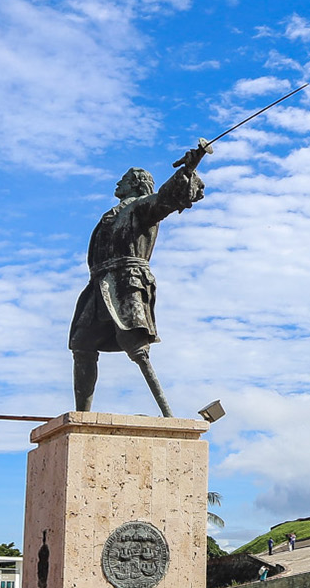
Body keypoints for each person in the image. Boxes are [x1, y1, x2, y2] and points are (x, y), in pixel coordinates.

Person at [69, 143, 210, 416]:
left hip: (126, 281)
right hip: (99, 285)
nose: (118, 182)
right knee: (81, 344)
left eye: (123, 179)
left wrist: (190, 167)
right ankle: (82, 417)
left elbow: (165, 199)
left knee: (137, 347)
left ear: (134, 184)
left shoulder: (142, 208)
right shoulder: (111, 214)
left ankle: (168, 414)